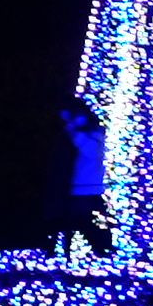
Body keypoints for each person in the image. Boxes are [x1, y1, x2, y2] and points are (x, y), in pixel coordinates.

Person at [54, 99, 114, 261]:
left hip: (86, 187)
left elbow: (90, 151)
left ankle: (100, 249)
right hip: (79, 186)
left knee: (82, 221)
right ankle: (70, 252)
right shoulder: (82, 133)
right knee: (74, 220)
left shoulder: (92, 135)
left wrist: (73, 131)